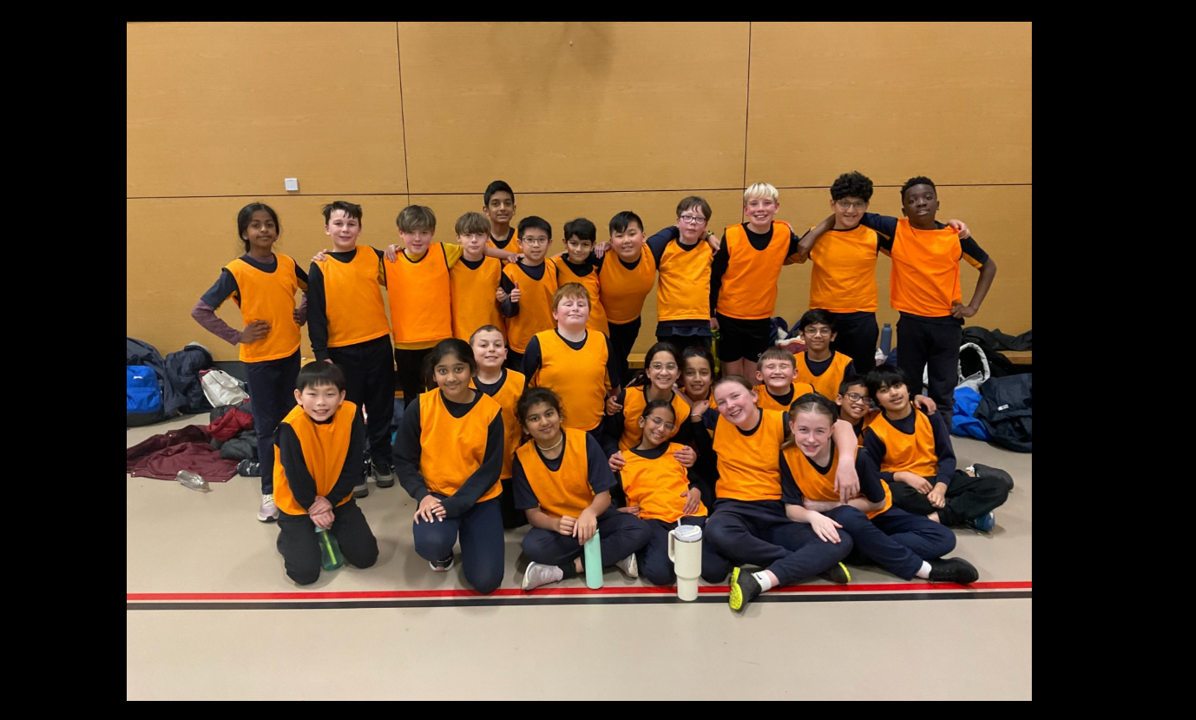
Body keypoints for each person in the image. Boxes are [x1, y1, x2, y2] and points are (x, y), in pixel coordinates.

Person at [800, 176, 996, 430]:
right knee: (905, 387)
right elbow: (842, 216)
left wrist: (972, 307)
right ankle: (892, 434)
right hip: (902, 322)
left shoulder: (950, 235)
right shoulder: (896, 229)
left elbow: (988, 265)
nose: (921, 203)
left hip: (940, 323)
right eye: (913, 200)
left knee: (940, 388)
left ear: (938, 203)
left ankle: (935, 441)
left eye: (927, 198)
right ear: (904, 209)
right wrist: (815, 231)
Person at [690, 377, 860, 612]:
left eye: (735, 396)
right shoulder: (719, 420)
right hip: (734, 508)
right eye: (722, 402)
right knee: (717, 535)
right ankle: (809, 563)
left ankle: (771, 573)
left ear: (754, 395)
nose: (730, 405)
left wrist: (846, 462)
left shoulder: (779, 420)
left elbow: (841, 426)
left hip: (777, 510)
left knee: (840, 541)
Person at [781, 393, 978, 584]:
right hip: (841, 522)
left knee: (944, 538)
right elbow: (791, 509)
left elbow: (878, 502)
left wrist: (825, 506)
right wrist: (811, 515)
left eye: (819, 431)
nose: (811, 439)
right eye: (804, 430)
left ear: (832, 430)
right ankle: (923, 569)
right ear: (792, 427)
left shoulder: (858, 457)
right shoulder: (788, 456)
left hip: (876, 514)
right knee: (846, 515)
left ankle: (867, 550)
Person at [790, 171, 972, 378]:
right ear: (833, 204)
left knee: (862, 378)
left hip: (861, 318)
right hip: (823, 318)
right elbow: (786, 257)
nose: (851, 210)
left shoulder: (874, 235)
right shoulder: (815, 236)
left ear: (866, 206)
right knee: (823, 375)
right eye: (844, 204)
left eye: (858, 204)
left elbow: (921, 238)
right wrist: (813, 232)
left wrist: (949, 227)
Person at [192, 203, 307, 522]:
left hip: (290, 355)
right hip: (259, 362)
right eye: (256, 225)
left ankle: (295, 482)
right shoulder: (236, 271)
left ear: (277, 230)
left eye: (269, 223)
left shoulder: (287, 263)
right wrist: (237, 336)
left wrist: (303, 311)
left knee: (293, 422)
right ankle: (270, 492)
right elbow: (201, 310)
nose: (264, 230)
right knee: (267, 427)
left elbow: (313, 288)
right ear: (245, 232)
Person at [393, 339, 505, 594]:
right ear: (434, 375)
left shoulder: (490, 411)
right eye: (443, 370)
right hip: (436, 496)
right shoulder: (420, 407)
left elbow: (490, 469)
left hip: (479, 498)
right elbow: (403, 459)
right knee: (432, 543)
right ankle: (442, 550)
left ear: (472, 370)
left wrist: (456, 506)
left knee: (486, 581)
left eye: (459, 369)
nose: (451, 377)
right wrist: (422, 496)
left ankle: (469, 531)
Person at [514, 388, 650, 591]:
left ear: (560, 416)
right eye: (534, 418)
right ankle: (611, 555)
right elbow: (532, 514)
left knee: (639, 529)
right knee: (532, 547)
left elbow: (604, 495)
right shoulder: (522, 458)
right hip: (562, 527)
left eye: (549, 414)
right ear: (525, 428)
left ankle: (565, 570)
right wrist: (554, 524)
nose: (544, 422)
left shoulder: (583, 441)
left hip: (595, 518)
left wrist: (590, 512)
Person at [307, 201, 395, 498]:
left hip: (378, 344)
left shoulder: (373, 255)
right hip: (341, 351)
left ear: (359, 228)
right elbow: (316, 314)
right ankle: (354, 465)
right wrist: (321, 354)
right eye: (339, 223)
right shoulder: (320, 266)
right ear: (327, 228)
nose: (345, 229)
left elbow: (406, 269)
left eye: (351, 224)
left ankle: (381, 459)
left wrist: (395, 250)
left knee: (381, 407)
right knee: (349, 411)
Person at [863, 366, 1011, 532]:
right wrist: (902, 476)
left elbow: (947, 457)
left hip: (937, 477)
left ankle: (936, 518)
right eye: (884, 390)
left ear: (908, 389)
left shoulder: (929, 414)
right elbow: (871, 475)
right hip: (906, 486)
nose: (893, 393)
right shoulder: (875, 431)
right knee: (895, 495)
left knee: (997, 486)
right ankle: (965, 510)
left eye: (897, 386)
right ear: (877, 400)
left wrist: (941, 487)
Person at [273, 362, 379, 585]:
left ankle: (328, 526)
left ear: (341, 397)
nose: (321, 402)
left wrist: (330, 501)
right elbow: (296, 476)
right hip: (298, 503)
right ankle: (287, 537)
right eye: (312, 394)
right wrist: (313, 507)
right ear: (299, 396)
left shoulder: (351, 414)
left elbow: (353, 464)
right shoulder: (290, 426)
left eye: (330, 394)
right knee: (304, 575)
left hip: (336, 498)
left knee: (366, 557)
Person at [617, 400, 727, 586]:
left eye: (668, 425)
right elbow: (612, 498)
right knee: (661, 576)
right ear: (642, 421)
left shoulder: (678, 451)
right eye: (656, 421)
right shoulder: (624, 460)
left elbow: (695, 480)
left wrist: (696, 490)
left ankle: (690, 549)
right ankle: (633, 552)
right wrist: (621, 512)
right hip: (653, 521)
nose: (661, 429)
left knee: (716, 572)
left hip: (689, 516)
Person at [710, 183, 803, 378]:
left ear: (776, 207)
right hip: (729, 316)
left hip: (760, 318)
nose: (760, 209)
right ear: (746, 210)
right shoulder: (732, 235)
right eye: (754, 204)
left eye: (767, 203)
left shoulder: (784, 233)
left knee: (754, 378)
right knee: (733, 377)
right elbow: (715, 277)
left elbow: (801, 251)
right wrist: (711, 313)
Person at [385, 205, 461, 408]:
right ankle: (415, 429)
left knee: (444, 396)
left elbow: (477, 248)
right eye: (411, 232)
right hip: (406, 345)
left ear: (432, 233)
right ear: (401, 233)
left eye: (424, 232)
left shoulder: (444, 252)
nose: (417, 238)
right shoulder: (389, 261)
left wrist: (509, 256)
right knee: (413, 400)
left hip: (440, 342)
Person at [523, 283, 620, 438]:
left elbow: (613, 386)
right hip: (551, 431)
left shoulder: (601, 340)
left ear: (588, 313)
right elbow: (524, 389)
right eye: (568, 304)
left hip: (594, 429)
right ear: (555, 313)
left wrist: (613, 402)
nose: (575, 308)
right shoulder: (539, 342)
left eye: (581, 305)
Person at [644, 197, 720, 352]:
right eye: (687, 217)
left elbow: (715, 284)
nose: (693, 223)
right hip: (670, 321)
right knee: (672, 363)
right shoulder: (664, 249)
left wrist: (713, 314)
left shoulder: (710, 249)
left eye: (699, 219)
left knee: (698, 364)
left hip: (700, 321)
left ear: (705, 225)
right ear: (678, 221)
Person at [470, 325, 528, 529]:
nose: (491, 349)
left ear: (505, 353)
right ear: (471, 352)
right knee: (478, 520)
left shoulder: (519, 381)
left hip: (510, 466)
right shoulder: (463, 384)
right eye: (483, 345)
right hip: (473, 468)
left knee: (510, 522)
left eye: (497, 345)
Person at [598, 211, 658, 384]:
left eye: (632, 234)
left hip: (632, 323)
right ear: (611, 241)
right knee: (608, 368)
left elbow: (679, 228)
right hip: (603, 326)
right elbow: (569, 256)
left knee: (619, 363)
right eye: (619, 236)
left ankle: (620, 395)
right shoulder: (600, 257)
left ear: (643, 236)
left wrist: (707, 235)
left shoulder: (652, 250)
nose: (626, 240)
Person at [605, 342, 692, 453]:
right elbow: (609, 435)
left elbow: (679, 447)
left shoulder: (683, 411)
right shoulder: (628, 397)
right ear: (648, 372)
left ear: (678, 373)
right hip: (624, 459)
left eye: (670, 367)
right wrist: (613, 454)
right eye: (657, 366)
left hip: (661, 462)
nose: (664, 372)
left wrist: (689, 455)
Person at [499, 216, 559, 370]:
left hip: (550, 338)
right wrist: (511, 300)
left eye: (541, 240)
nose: (536, 245)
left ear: (550, 243)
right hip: (521, 343)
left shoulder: (553, 267)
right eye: (530, 240)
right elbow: (506, 312)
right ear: (520, 243)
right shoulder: (509, 271)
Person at [449, 212, 506, 342]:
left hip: (492, 335)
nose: (474, 240)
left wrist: (504, 297)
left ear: (488, 237)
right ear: (458, 237)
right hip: (460, 335)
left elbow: (506, 302)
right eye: (468, 235)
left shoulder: (496, 264)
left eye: (479, 235)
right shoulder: (450, 266)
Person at [551, 218, 609, 337]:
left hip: (597, 329)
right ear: (565, 242)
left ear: (593, 245)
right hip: (567, 330)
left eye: (585, 244)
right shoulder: (554, 265)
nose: (578, 249)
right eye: (574, 243)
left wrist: (608, 244)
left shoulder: (597, 266)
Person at [793, 309, 856, 400]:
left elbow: (851, 398)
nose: (818, 335)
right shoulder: (792, 362)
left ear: (833, 336)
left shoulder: (845, 364)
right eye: (811, 330)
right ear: (802, 335)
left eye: (824, 331)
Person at [754, 346, 817, 413]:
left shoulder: (807, 391)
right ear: (759, 375)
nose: (777, 372)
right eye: (771, 367)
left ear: (794, 373)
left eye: (783, 367)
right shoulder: (754, 395)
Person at [483, 180, 520, 254]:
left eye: (507, 203)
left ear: (513, 209)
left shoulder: (523, 239)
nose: (502, 208)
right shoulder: (477, 241)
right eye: (496, 204)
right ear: (486, 210)